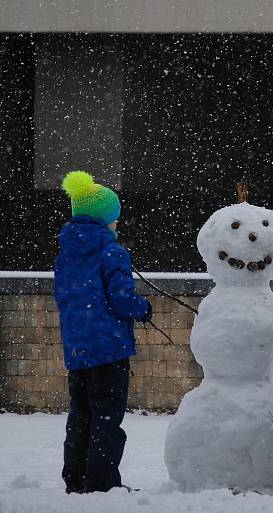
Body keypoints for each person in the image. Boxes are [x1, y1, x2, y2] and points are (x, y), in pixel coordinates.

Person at [54, 170, 152, 494]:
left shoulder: (65, 255)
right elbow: (123, 300)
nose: (117, 225)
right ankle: (102, 484)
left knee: (80, 418)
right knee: (107, 421)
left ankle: (76, 480)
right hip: (109, 350)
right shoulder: (113, 253)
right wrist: (143, 308)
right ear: (105, 219)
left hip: (77, 350)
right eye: (115, 218)